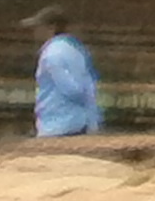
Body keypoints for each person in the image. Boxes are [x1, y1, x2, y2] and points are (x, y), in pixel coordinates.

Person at [26, 8, 101, 137]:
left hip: (57, 124)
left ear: (51, 27)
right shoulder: (76, 49)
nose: (35, 31)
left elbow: (72, 89)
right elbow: (88, 84)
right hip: (79, 122)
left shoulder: (51, 55)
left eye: (39, 26)